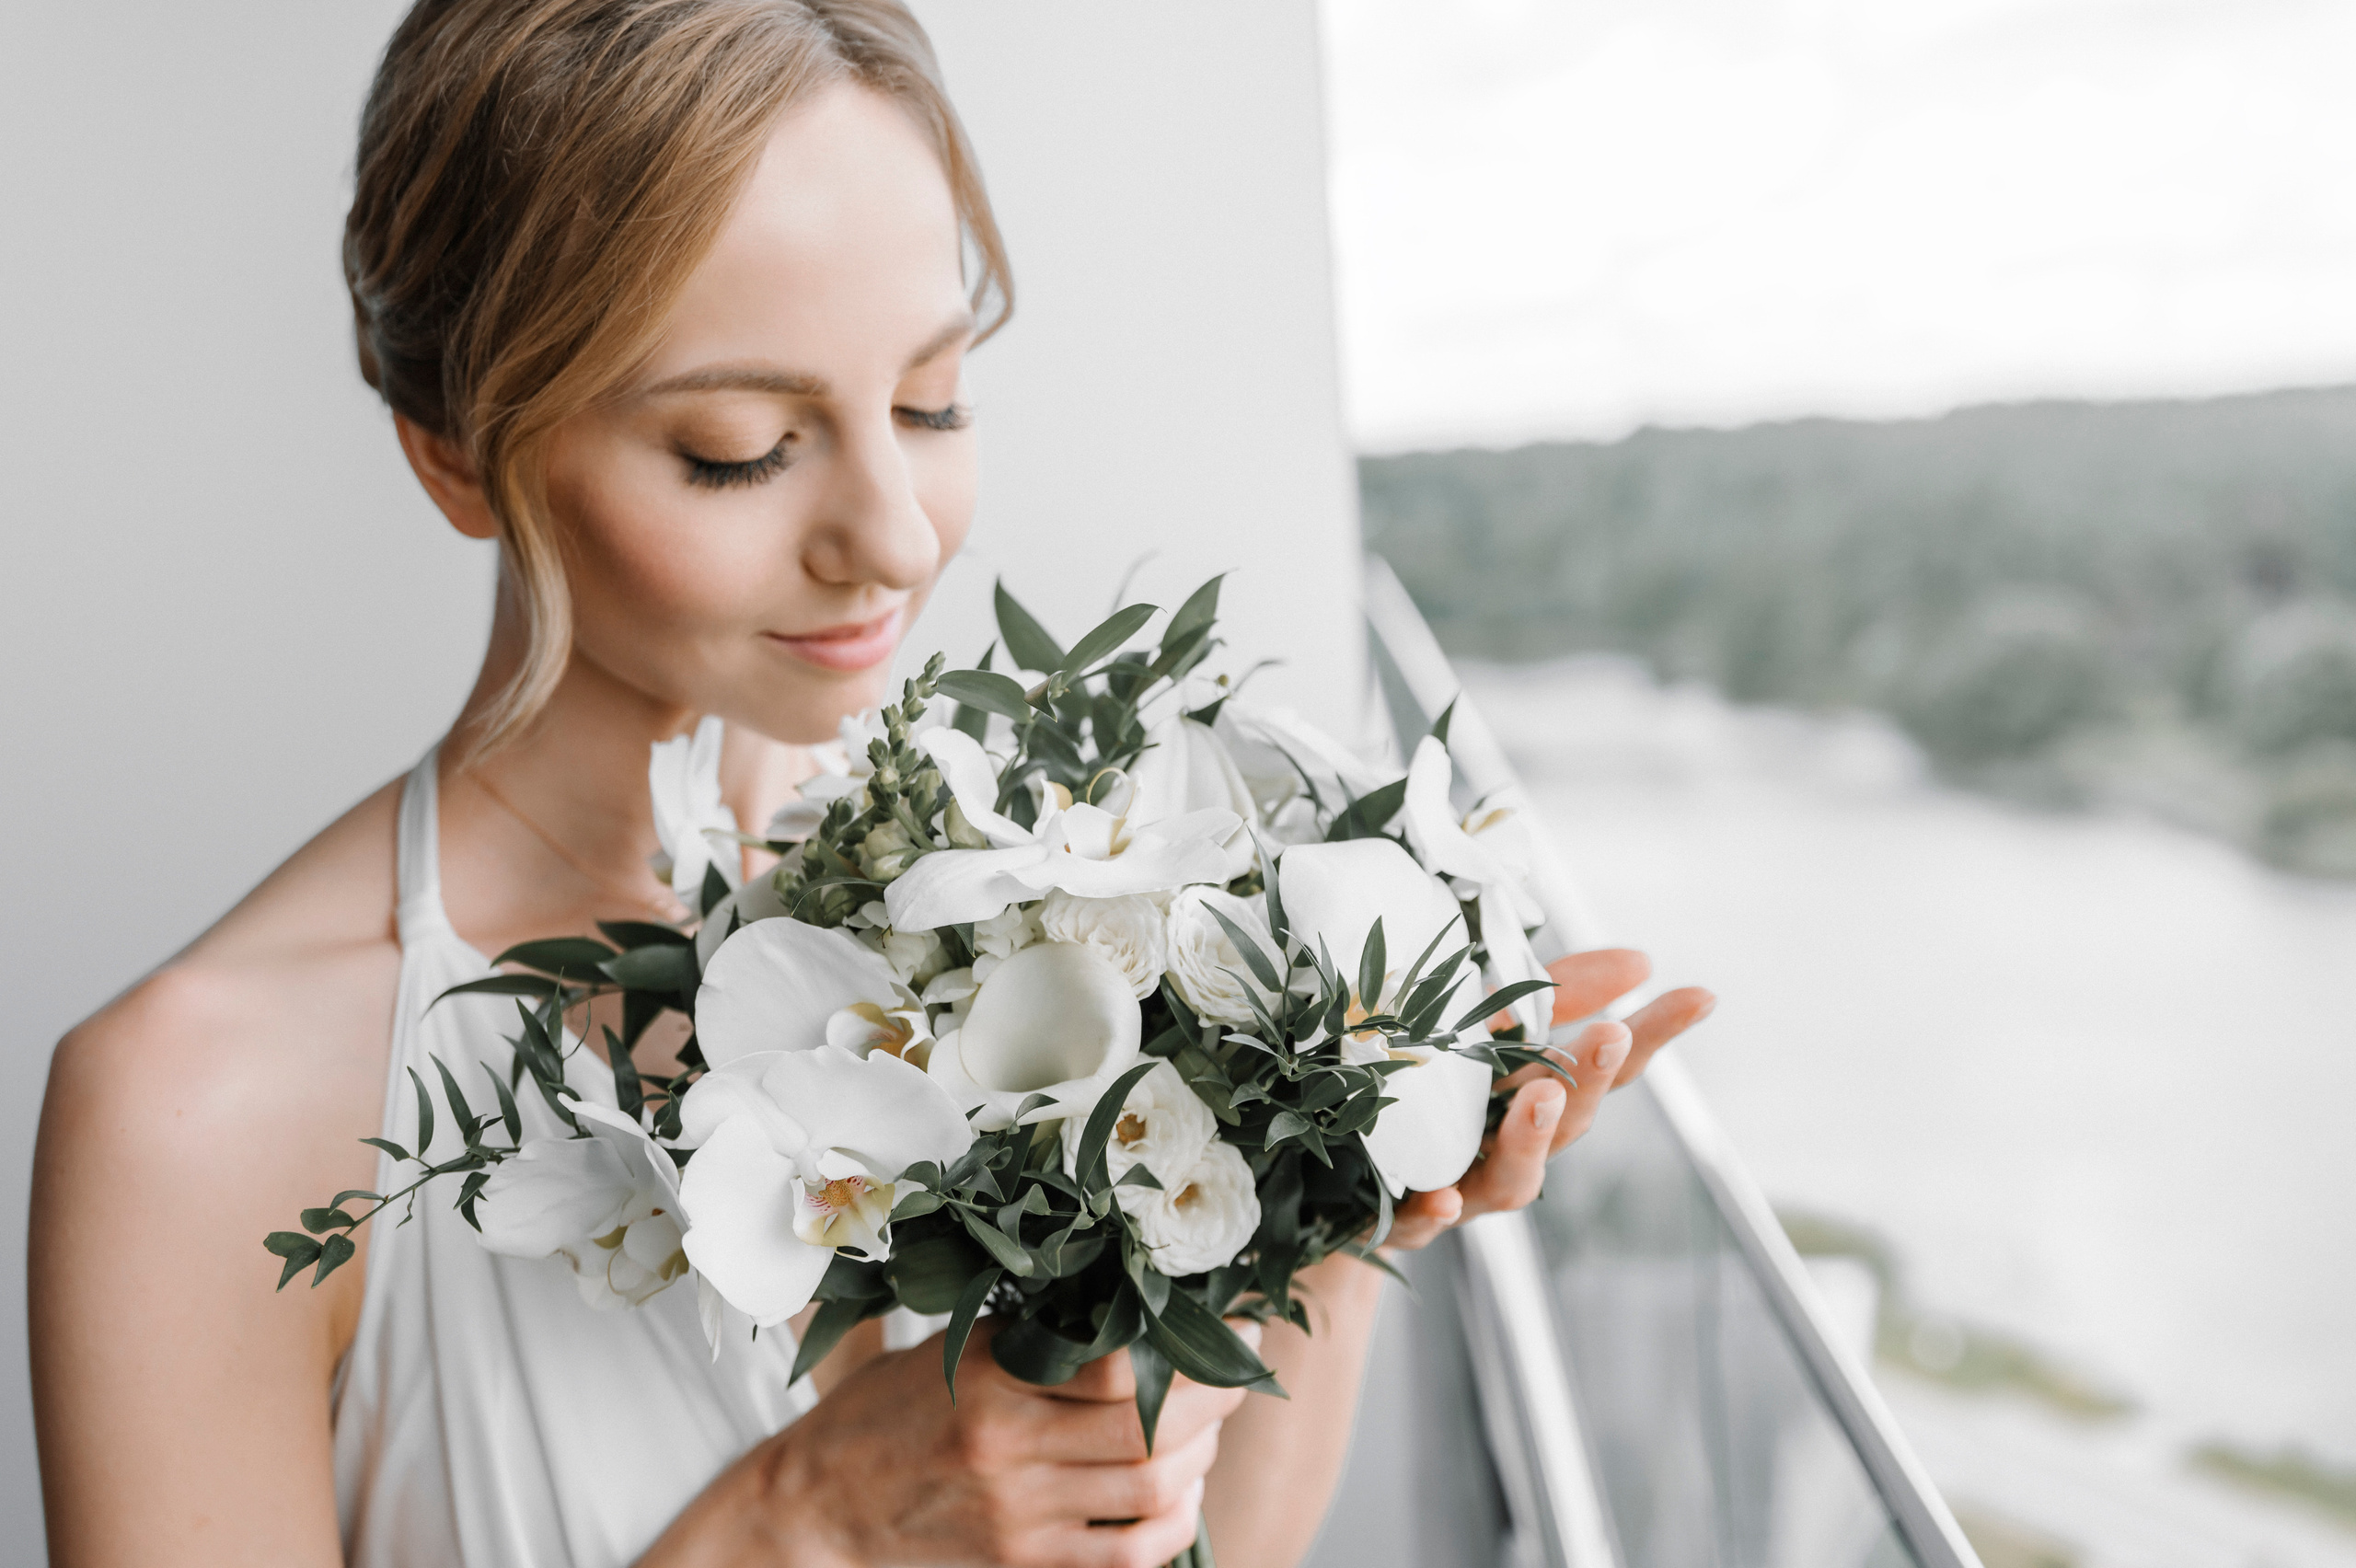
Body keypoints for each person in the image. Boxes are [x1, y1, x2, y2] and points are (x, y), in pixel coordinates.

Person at [28, 3, 1715, 1564]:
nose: (898, 541)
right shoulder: (196, 1121)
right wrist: (804, 1520)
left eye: (931, 400)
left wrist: (1335, 1194)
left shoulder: (1073, 914)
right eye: (740, 449)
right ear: (458, 451)